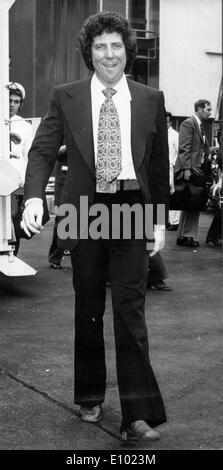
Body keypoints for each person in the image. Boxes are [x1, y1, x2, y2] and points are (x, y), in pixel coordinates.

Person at [22, 12, 169, 442]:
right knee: (88, 308)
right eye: (100, 46)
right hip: (82, 211)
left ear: (128, 52)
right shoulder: (66, 96)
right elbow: (43, 149)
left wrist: (157, 218)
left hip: (131, 208)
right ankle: (89, 394)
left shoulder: (149, 98)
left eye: (116, 45)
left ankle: (138, 413)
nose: (109, 54)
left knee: (130, 312)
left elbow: (157, 166)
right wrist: (33, 196)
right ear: (90, 53)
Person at [175, 99, 212, 247]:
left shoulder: (199, 126)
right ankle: (187, 236)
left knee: (189, 202)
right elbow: (184, 148)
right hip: (192, 170)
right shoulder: (189, 124)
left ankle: (184, 235)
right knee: (193, 202)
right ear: (199, 109)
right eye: (208, 109)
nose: (209, 112)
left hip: (196, 169)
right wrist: (186, 169)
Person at [8, 82, 33, 254]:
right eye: (9, 100)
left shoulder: (25, 126)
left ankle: (12, 256)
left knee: (15, 222)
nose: (12, 105)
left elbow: (28, 156)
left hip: (16, 181)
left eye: (16, 102)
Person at [48, 145, 68, 269]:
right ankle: (55, 257)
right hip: (64, 169)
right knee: (62, 218)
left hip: (82, 169)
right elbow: (52, 151)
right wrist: (65, 148)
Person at [166, 111, 180, 231]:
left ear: (170, 122)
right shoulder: (159, 134)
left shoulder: (175, 135)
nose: (165, 123)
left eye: (167, 121)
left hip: (171, 168)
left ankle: (175, 222)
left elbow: (179, 151)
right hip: (160, 169)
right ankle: (167, 220)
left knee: (173, 194)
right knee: (162, 195)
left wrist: (173, 165)